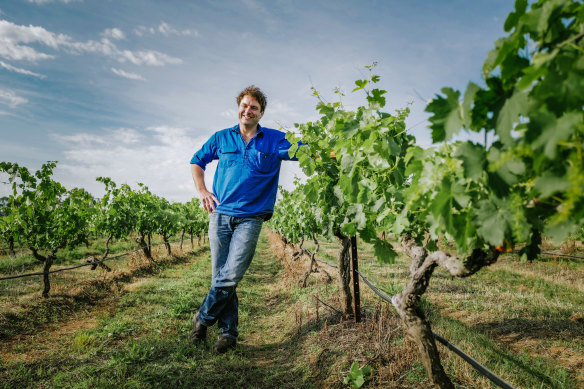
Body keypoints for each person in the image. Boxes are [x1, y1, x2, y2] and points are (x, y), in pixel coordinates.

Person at [189, 85, 297, 353]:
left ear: (261, 113)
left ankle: (202, 320)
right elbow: (196, 161)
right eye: (244, 105)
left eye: (254, 108)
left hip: (251, 218)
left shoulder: (275, 139)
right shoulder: (222, 138)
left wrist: (336, 153)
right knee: (222, 276)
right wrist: (202, 190)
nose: (248, 111)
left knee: (231, 274)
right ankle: (228, 334)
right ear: (239, 107)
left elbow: (303, 151)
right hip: (220, 214)